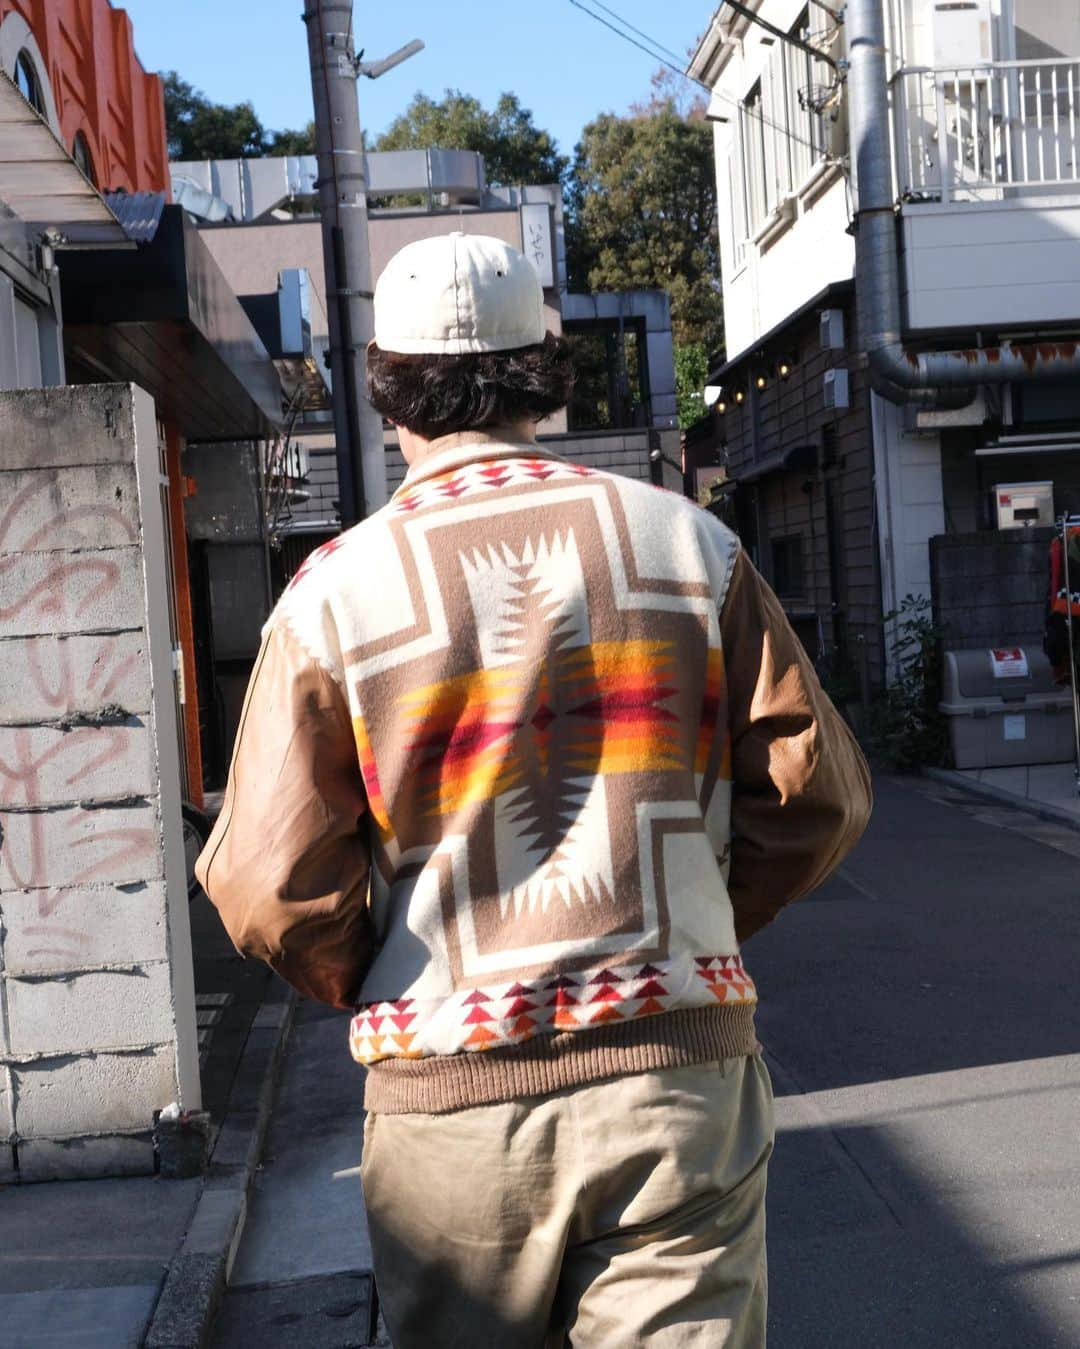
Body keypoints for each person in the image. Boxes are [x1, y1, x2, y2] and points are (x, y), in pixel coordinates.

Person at [197, 232, 872, 1348]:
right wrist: (687, 920)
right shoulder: (686, 542)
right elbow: (818, 795)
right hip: (675, 1073)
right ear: (544, 373)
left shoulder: (332, 595)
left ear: (385, 386)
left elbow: (270, 884)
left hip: (447, 1102)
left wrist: (383, 972)